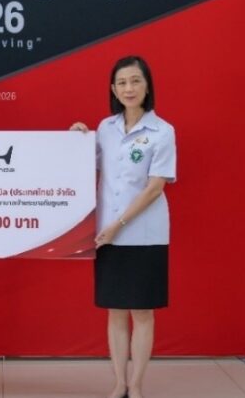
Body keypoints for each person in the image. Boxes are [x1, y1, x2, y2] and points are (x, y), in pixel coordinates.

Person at [71, 56, 176, 398]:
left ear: (147, 86)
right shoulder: (105, 128)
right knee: (116, 311)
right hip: (108, 234)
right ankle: (119, 382)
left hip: (145, 234)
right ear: (113, 89)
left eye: (135, 81)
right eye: (122, 83)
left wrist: (119, 224)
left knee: (142, 311)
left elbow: (155, 187)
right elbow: (85, 165)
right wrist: (77, 138)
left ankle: (137, 385)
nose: (129, 88)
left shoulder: (162, 131)